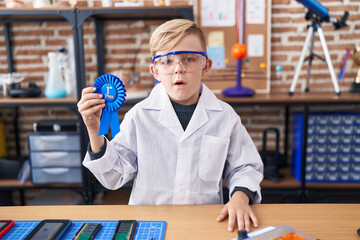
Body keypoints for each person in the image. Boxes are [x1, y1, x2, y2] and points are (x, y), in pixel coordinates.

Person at [77, 19, 263, 233]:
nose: (178, 69)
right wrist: (93, 129)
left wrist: (240, 197)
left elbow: (246, 166)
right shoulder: (139, 115)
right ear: (155, 71)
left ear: (206, 66)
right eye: (166, 61)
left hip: (206, 222)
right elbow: (113, 177)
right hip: (147, 225)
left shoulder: (225, 116)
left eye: (189, 59)